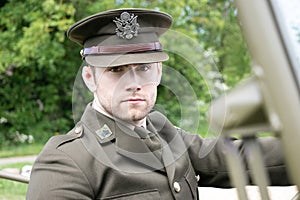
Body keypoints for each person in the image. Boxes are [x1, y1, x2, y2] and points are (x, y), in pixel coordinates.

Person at [26, 8, 290, 199]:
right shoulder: (66, 161)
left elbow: (240, 158)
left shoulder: (164, 132)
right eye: (116, 71)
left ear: (159, 74)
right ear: (89, 79)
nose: (133, 82)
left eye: (143, 68)